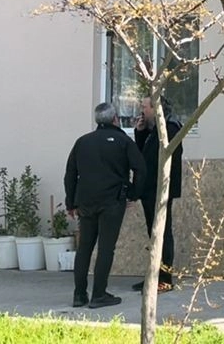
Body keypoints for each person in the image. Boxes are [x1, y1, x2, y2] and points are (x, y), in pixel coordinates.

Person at [64, 103, 145, 309]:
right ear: (115, 119)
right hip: (112, 201)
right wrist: (133, 194)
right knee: (106, 248)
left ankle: (79, 294)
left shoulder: (82, 142)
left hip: (86, 201)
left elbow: (70, 173)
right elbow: (140, 168)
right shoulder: (123, 141)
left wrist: (71, 202)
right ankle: (99, 294)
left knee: (84, 247)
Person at [132, 96, 183, 292]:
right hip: (150, 189)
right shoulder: (154, 130)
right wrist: (140, 133)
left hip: (160, 189)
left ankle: (165, 278)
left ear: (156, 109)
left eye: (144, 107)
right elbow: (143, 155)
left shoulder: (170, 128)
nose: (142, 110)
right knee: (153, 234)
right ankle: (154, 276)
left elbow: (157, 158)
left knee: (162, 233)